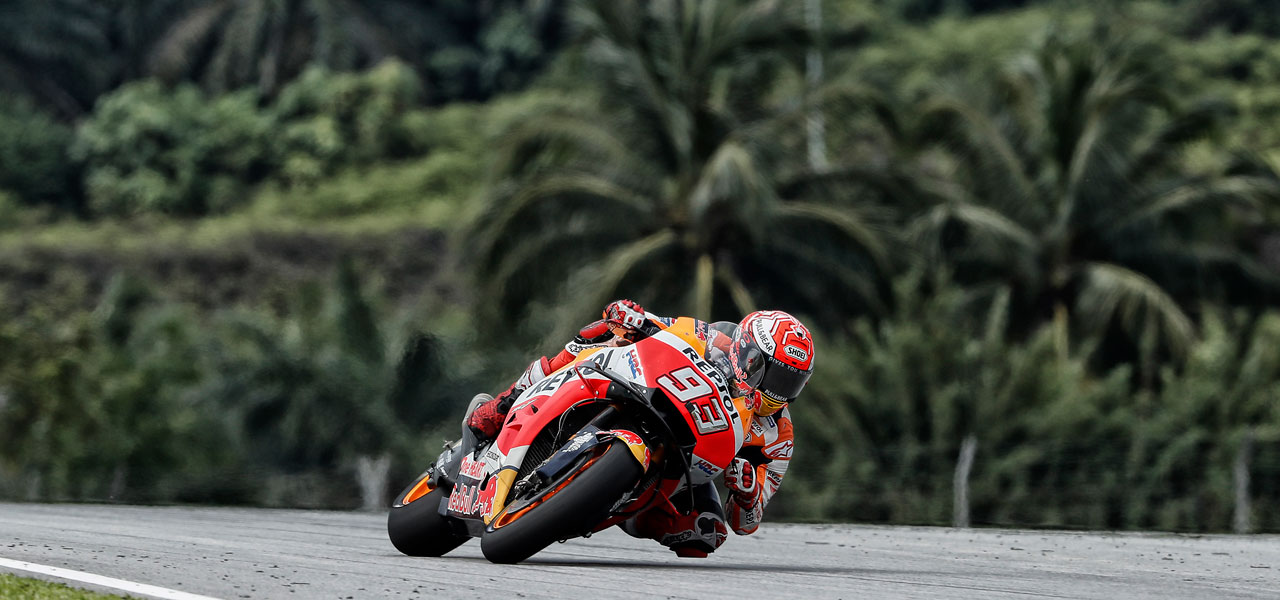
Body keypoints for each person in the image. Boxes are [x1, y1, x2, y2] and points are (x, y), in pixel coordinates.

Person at [465, 299, 815, 558]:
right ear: (748, 351)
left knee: (707, 532)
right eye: (776, 375)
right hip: (647, 392)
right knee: (600, 333)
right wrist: (630, 315)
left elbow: (748, 522)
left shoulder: (777, 434)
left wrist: (748, 491)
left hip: (686, 462)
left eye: (791, 382)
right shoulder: (707, 337)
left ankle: (611, 503)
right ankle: (504, 404)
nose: (780, 390)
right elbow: (652, 323)